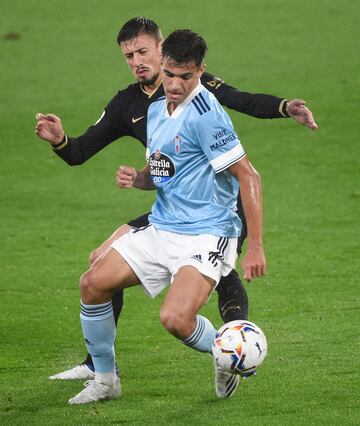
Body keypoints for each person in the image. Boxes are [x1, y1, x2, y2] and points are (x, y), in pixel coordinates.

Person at [35, 17, 317, 381]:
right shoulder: (139, 106)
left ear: (162, 48)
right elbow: (111, 157)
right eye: (128, 55)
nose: (137, 61)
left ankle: (233, 353)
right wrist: (66, 143)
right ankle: (102, 370)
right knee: (95, 270)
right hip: (169, 209)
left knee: (208, 286)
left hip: (215, 215)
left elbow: (243, 110)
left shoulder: (203, 100)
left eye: (142, 51)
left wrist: (283, 107)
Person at [67, 28, 265, 404]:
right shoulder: (157, 109)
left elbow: (248, 176)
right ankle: (106, 379)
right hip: (163, 225)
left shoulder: (208, 115)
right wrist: (140, 178)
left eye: (186, 77)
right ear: (163, 64)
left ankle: (225, 354)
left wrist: (254, 245)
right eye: (170, 74)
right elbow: (166, 172)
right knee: (92, 283)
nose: (175, 85)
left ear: (200, 71)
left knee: (175, 319)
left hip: (208, 232)